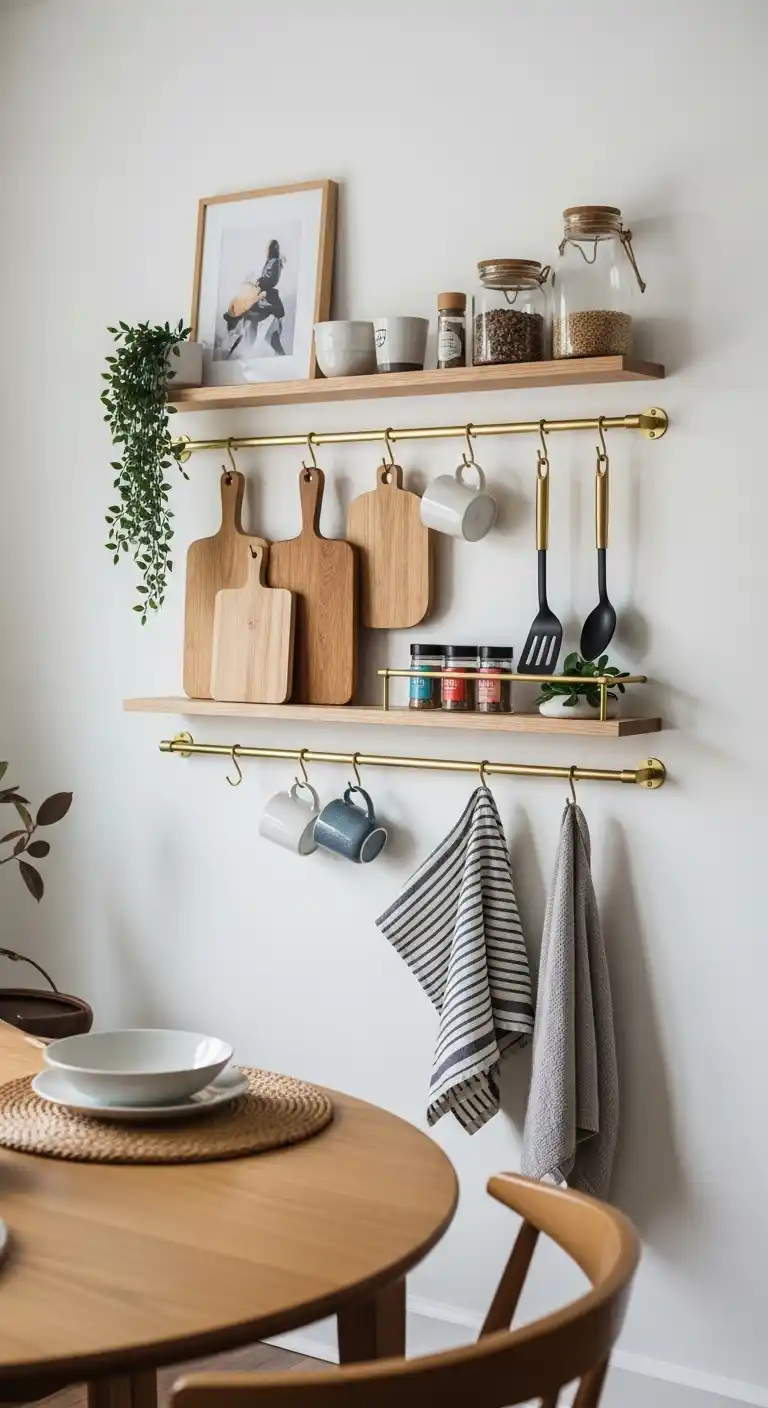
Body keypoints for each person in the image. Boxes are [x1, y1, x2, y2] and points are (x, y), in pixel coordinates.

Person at [223, 239, 287, 357]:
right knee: (248, 315)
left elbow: (270, 278)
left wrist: (260, 282)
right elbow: (268, 277)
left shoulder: (274, 262)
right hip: (263, 295)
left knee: (249, 313)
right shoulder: (272, 262)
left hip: (265, 297)